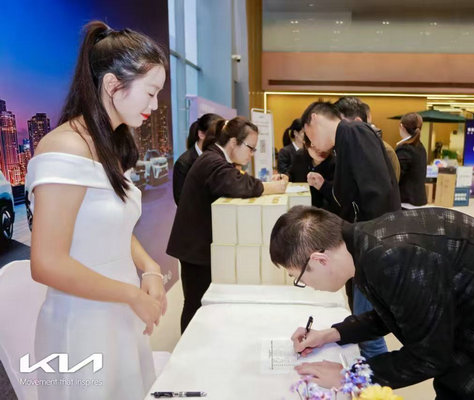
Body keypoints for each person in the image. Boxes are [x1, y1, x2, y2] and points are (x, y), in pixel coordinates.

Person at [270, 206, 474, 400]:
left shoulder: (391, 256)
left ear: (319, 259)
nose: (306, 286)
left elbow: (428, 357)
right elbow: (399, 310)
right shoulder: (365, 244)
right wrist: (332, 334)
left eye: (299, 277)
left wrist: (348, 376)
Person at [26, 21, 168, 399]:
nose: (155, 106)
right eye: (150, 93)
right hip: (81, 325)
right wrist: (132, 295)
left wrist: (150, 268)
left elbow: (112, 227)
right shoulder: (65, 147)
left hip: (117, 314)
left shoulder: (110, 146)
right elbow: (47, 263)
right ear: (112, 85)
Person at [167, 116, 288, 332]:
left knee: (201, 301)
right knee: (196, 303)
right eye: (250, 148)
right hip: (195, 247)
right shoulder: (212, 161)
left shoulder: (215, 158)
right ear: (233, 142)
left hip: (198, 244)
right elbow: (237, 184)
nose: (252, 154)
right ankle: (189, 347)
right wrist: (272, 188)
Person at [301, 100, 401, 360]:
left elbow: (378, 191)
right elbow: (352, 197)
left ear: (314, 119)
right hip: (369, 243)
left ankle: (374, 380)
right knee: (364, 322)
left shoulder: (353, 132)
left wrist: (365, 241)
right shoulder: (345, 141)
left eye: (309, 135)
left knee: (368, 332)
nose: (312, 144)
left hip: (373, 245)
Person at [333, 96, 401, 182]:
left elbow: (391, 187)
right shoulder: (337, 150)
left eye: (340, 125)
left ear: (357, 122)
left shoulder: (385, 151)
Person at [172, 113, 222, 205]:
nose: (219, 142)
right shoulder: (183, 163)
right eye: (216, 137)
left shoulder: (220, 158)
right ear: (201, 134)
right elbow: (181, 200)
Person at [288, 133, 336, 211]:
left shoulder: (336, 163)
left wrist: (323, 185)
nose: (320, 150)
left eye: (324, 145)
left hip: (325, 213)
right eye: (314, 146)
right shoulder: (300, 156)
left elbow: (341, 197)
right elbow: (292, 175)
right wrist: (285, 177)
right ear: (305, 144)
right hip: (300, 209)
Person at [395, 112, 427, 207]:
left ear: (401, 126)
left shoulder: (404, 148)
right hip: (419, 199)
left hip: (406, 201)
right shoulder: (421, 147)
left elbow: (396, 175)